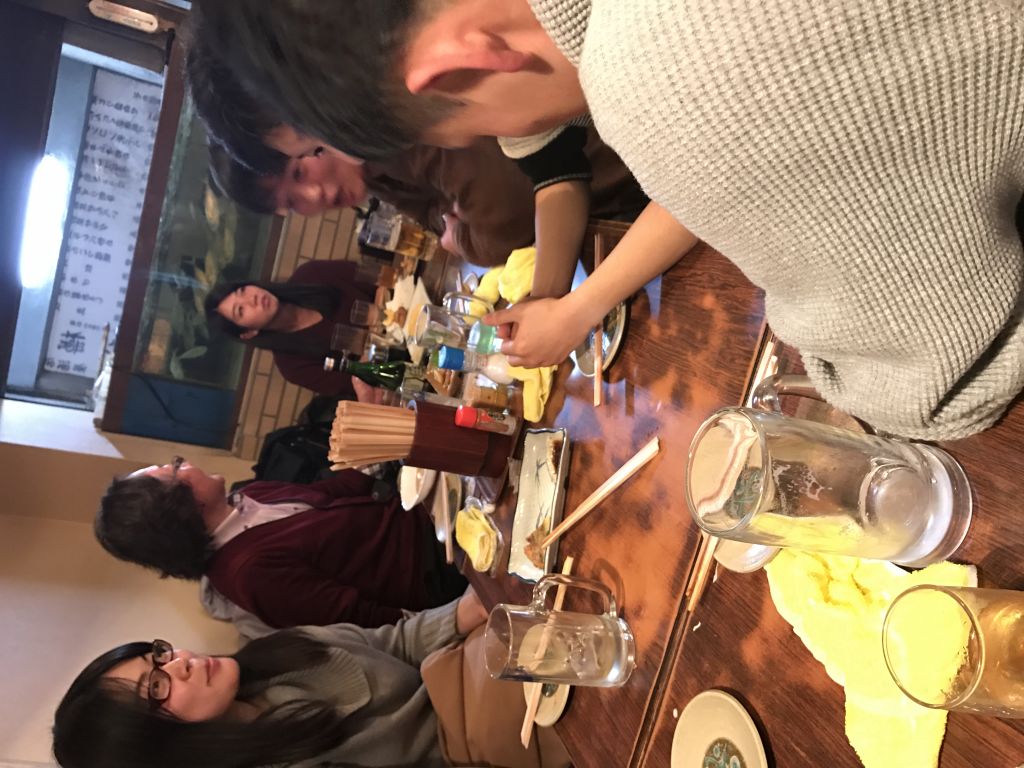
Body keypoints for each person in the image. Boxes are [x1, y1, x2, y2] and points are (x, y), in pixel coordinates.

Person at [193, 0, 1024, 441]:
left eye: (456, 128)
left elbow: (944, 388)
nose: (485, 140)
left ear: (461, 61)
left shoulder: (661, 93)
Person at [51, 592, 571, 768]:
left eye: (159, 655)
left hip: (498, 664)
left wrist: (472, 603)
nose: (180, 661)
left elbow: (396, 642)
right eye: (157, 687)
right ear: (158, 750)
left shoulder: (275, 653)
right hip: (517, 741)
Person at [94, 456, 467, 629]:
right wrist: (458, 620)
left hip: (423, 514)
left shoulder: (246, 496)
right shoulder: (248, 573)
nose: (186, 464)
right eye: (176, 468)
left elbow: (335, 492)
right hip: (439, 566)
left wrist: (376, 437)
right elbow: (360, 618)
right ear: (183, 501)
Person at [203, 259, 377, 398]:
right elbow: (359, 385)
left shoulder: (311, 273)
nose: (251, 299)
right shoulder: (293, 367)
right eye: (240, 310)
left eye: (242, 291)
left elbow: (377, 277)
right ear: (248, 332)